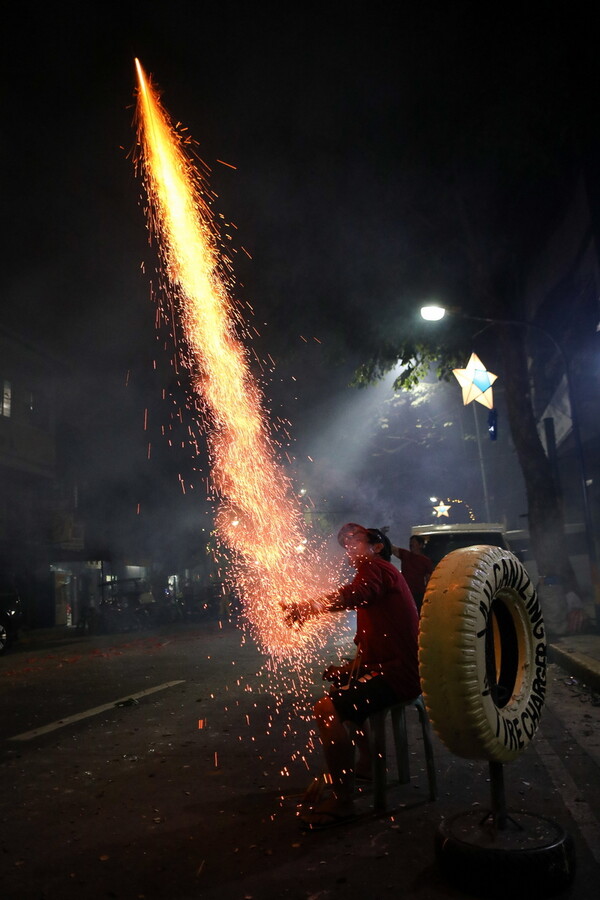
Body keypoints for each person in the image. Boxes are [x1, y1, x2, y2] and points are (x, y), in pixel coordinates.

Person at [287, 523, 420, 830]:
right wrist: (348, 669)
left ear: (376, 547)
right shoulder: (380, 573)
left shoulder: (377, 568)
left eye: (356, 540)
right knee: (346, 689)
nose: (348, 545)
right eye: (345, 543)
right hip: (396, 670)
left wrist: (309, 607)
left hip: (400, 676)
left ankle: (343, 801)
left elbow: (357, 594)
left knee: (326, 709)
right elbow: (372, 651)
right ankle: (367, 767)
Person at [390, 534, 434, 612]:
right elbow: (392, 549)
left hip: (418, 594)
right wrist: (383, 535)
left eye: (413, 542)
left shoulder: (426, 561)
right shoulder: (405, 555)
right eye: (410, 542)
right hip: (405, 592)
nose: (411, 544)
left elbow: (429, 579)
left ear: (420, 545)